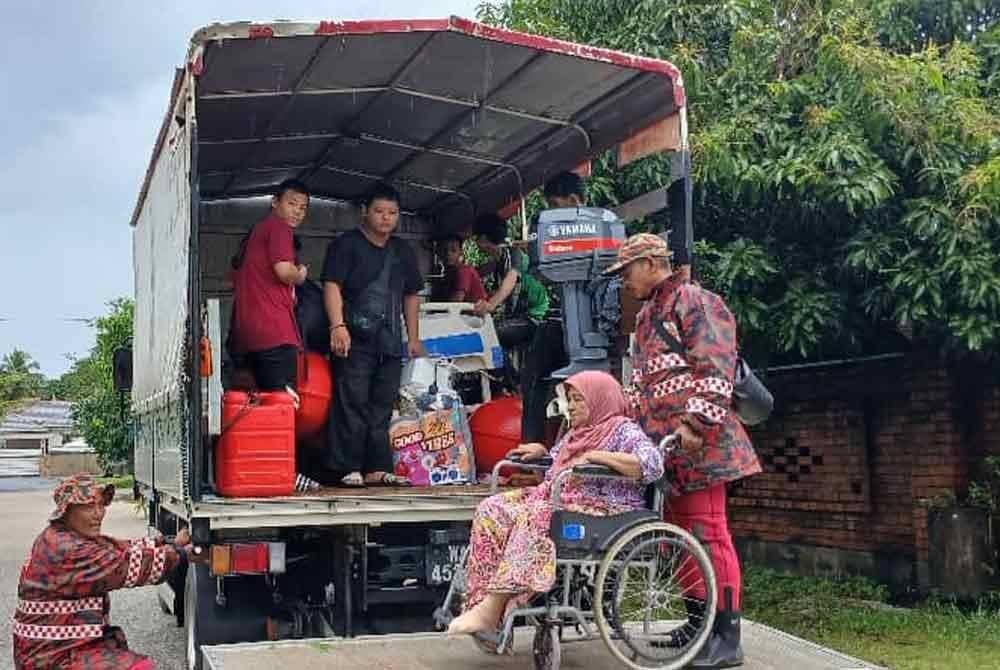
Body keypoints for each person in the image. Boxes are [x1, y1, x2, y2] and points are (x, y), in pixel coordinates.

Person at [603, 233, 760, 669]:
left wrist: (696, 423)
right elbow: (639, 386)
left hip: (703, 446)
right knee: (682, 540)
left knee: (710, 535)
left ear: (653, 263)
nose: (623, 282)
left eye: (627, 271)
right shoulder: (647, 317)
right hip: (668, 451)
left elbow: (716, 365)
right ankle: (697, 627)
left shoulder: (694, 300)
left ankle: (726, 637)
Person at [447, 370, 663, 635]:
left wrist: (601, 456)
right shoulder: (576, 433)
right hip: (564, 500)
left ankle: (493, 606)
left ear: (599, 399)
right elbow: (556, 467)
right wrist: (542, 453)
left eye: (578, 399)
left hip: (606, 510)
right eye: (569, 399)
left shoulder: (623, 429)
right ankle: (481, 603)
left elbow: (652, 464)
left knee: (537, 514)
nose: (570, 406)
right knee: (492, 509)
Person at [12, 474, 200, 670]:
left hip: (64, 647)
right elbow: (124, 566)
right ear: (66, 512)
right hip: (51, 657)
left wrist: (169, 544)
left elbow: (120, 548)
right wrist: (182, 555)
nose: (98, 514)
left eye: (101, 505)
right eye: (88, 507)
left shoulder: (67, 536)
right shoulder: (66, 548)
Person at [321, 182, 425, 487]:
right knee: (351, 402)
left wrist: (414, 339)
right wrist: (337, 326)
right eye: (379, 211)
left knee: (382, 406)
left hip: (390, 341)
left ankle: (377, 468)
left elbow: (411, 295)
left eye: (392, 213)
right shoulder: (346, 244)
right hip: (353, 338)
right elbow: (331, 285)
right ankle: (348, 466)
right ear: (365, 212)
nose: (385, 218)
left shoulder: (403, 250)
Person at [228, 179, 310, 391]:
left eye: (303, 207)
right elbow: (284, 271)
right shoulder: (279, 228)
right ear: (275, 202)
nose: (298, 212)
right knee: (282, 408)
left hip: (247, 338)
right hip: (275, 334)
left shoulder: (254, 235)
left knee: (261, 414)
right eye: (292, 204)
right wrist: (300, 274)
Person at [430, 234, 487, 303]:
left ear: (460, 252)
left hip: (474, 312)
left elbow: (457, 300)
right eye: (444, 250)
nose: (448, 254)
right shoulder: (447, 273)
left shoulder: (464, 270)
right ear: (438, 252)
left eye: (453, 250)